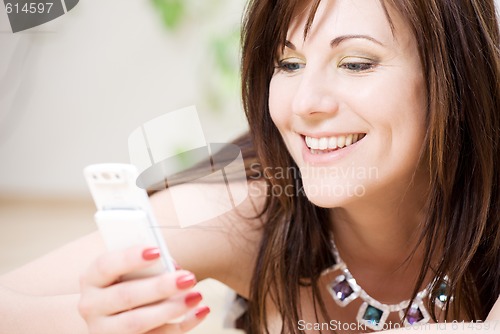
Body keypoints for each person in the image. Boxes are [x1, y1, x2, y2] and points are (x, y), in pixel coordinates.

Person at [1, 0, 499, 333]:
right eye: (288, 63)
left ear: (452, 77)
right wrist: (95, 321)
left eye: (356, 63)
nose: (305, 103)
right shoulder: (245, 210)